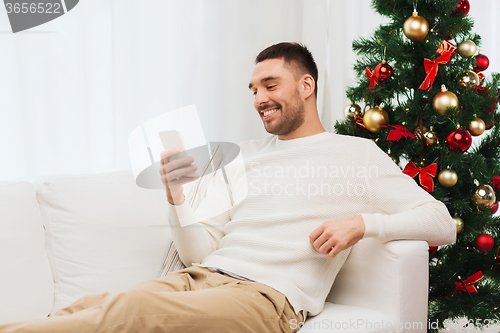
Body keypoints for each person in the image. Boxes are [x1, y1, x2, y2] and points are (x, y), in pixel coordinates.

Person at [0, 42, 456, 333]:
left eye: (270, 85)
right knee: (99, 305)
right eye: (253, 89)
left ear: (307, 84)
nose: (259, 99)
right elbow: (200, 252)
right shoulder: (244, 154)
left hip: (265, 299)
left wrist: (363, 223)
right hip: (198, 278)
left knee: (123, 318)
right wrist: (178, 199)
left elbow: (441, 222)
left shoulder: (354, 155)